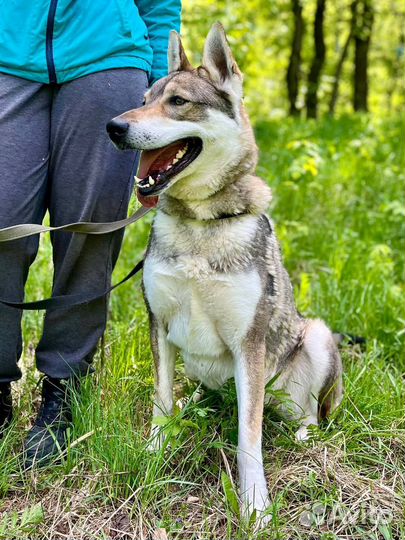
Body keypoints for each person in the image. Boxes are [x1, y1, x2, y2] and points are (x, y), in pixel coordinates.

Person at [0, 0, 181, 467]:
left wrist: (163, 100)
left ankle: (64, 393)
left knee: (89, 232)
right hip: (6, 53)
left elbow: (160, 4)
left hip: (110, 57)